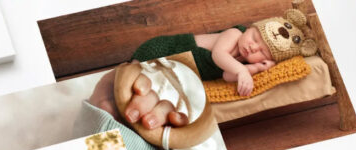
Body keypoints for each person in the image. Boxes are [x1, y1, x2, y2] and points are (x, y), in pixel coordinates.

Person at [131, 9, 317, 96]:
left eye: (262, 52)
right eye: (254, 38)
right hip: (167, 50)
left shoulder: (240, 65)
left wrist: (255, 68)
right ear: (249, 29)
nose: (253, 46)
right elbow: (218, 56)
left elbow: (227, 76)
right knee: (133, 72)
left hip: (178, 68)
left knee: (142, 86)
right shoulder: (234, 34)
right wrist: (243, 71)